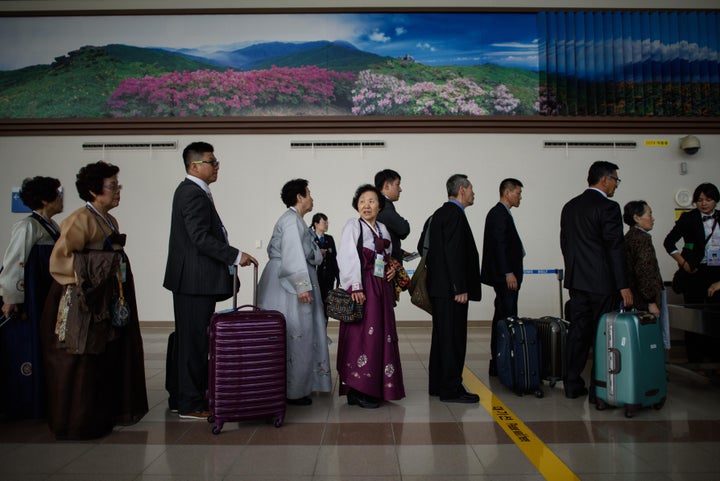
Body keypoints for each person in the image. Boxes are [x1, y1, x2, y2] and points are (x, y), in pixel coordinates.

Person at [40, 161, 148, 439]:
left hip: (105, 297)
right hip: (81, 300)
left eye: (117, 186)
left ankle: (102, 415)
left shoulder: (108, 220)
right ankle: (76, 422)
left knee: (105, 358)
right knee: (81, 361)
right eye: (112, 186)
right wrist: (102, 263)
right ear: (93, 190)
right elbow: (59, 261)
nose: (118, 191)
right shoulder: (79, 219)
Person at [163, 142, 257, 420]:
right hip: (194, 281)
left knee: (187, 340)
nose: (216, 167)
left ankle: (181, 397)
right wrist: (236, 255)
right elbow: (200, 238)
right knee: (193, 342)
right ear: (195, 166)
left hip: (192, 280)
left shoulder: (193, 191)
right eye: (212, 162)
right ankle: (191, 403)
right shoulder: (192, 193)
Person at [560, 160, 633, 401]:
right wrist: (623, 285)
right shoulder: (608, 207)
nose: (616, 185)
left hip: (577, 280)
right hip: (602, 284)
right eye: (615, 180)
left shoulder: (570, 207)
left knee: (578, 332)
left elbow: (566, 244)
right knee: (603, 335)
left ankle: (572, 384)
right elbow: (615, 247)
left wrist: (574, 271)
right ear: (604, 179)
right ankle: (598, 388)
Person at [257, 180, 332, 405]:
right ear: (299, 197)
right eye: (309, 193)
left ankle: (297, 385)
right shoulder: (291, 221)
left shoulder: (296, 221)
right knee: (296, 332)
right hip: (288, 285)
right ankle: (293, 390)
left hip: (290, 279)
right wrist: (301, 287)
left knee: (300, 331)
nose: (312, 197)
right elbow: (292, 255)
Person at [336, 184, 405, 409]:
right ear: (357, 204)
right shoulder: (353, 226)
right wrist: (355, 287)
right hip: (363, 288)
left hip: (381, 289)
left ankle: (377, 386)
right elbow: (347, 258)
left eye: (372, 201)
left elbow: (386, 257)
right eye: (362, 201)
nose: (366, 205)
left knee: (380, 336)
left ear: (379, 206)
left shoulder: (383, 229)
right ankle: (358, 389)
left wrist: (391, 269)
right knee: (361, 337)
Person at [0, 176, 63, 419]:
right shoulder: (27, 226)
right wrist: (12, 298)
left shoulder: (52, 225)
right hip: (33, 297)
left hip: (48, 293)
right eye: (56, 194)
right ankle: (26, 403)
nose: (60, 198)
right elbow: (14, 263)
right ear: (45, 199)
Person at [418, 174, 482, 403]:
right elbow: (454, 253)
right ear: (462, 190)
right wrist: (459, 287)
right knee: (453, 340)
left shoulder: (437, 215)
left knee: (442, 338)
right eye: (472, 188)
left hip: (439, 289)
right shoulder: (455, 215)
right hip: (452, 291)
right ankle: (451, 389)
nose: (474, 192)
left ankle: (438, 384)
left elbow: (421, 245)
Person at [663, 182, 720, 362]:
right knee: (694, 317)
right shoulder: (688, 218)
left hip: (717, 273)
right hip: (695, 271)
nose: (703, 203)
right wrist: (683, 263)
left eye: (708, 199)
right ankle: (696, 359)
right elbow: (669, 242)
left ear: (716, 201)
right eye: (699, 200)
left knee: (715, 317)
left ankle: (714, 359)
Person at [480, 178, 525, 377]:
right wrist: (508, 272)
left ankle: (501, 361)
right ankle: (501, 361)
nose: (520, 197)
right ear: (507, 192)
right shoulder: (498, 214)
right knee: (505, 318)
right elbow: (499, 246)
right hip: (505, 277)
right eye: (517, 192)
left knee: (503, 316)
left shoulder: (502, 214)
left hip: (506, 275)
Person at [623, 200, 670, 349]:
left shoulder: (629, 237)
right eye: (649, 214)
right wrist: (651, 301)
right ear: (637, 217)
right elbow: (645, 270)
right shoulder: (641, 239)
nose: (652, 218)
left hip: (636, 297)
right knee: (651, 339)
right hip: (646, 300)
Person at [375, 169, 411, 264]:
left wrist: (400, 251)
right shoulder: (384, 207)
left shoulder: (380, 205)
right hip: (389, 268)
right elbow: (403, 229)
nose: (400, 189)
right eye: (397, 184)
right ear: (387, 186)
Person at [311, 212, 339, 317]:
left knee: (327, 304)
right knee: (316, 304)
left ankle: (323, 331)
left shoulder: (329, 239)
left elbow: (334, 259)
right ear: (316, 224)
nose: (326, 224)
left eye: (327, 222)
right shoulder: (311, 239)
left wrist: (338, 276)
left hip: (328, 277)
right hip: (316, 278)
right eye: (324, 222)